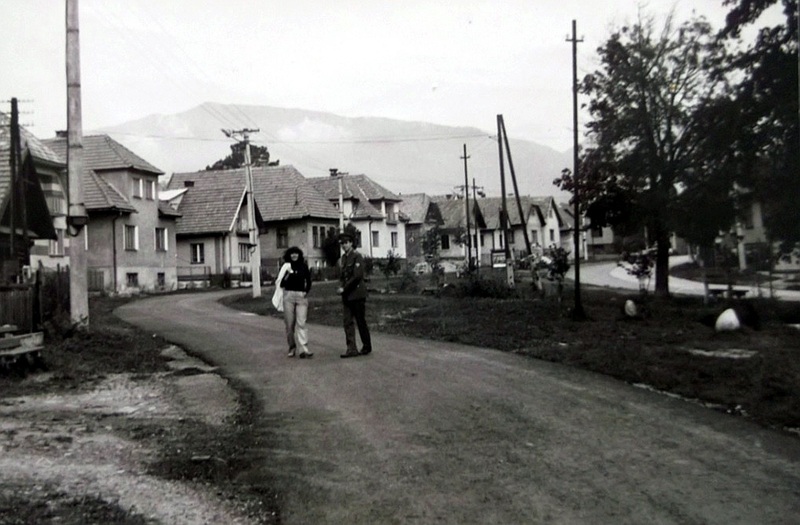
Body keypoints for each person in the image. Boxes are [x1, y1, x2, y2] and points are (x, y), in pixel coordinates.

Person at [337, 232, 373, 358]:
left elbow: (357, 276)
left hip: (357, 294)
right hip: (347, 296)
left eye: (346, 243)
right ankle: (351, 348)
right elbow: (342, 276)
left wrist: (344, 288)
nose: (344, 246)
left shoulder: (357, 257)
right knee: (347, 321)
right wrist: (340, 286)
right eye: (342, 243)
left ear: (351, 243)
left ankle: (367, 346)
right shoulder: (343, 258)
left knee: (360, 321)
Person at [280, 246, 313, 358]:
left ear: (299, 255)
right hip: (288, 296)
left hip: (300, 296)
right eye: (292, 254)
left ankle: (303, 349)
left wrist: (305, 291)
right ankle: (292, 347)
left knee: (301, 323)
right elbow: (281, 283)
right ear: (289, 255)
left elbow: (308, 281)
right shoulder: (286, 266)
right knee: (289, 325)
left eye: (296, 253)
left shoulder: (303, 266)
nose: (294, 255)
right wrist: (288, 274)